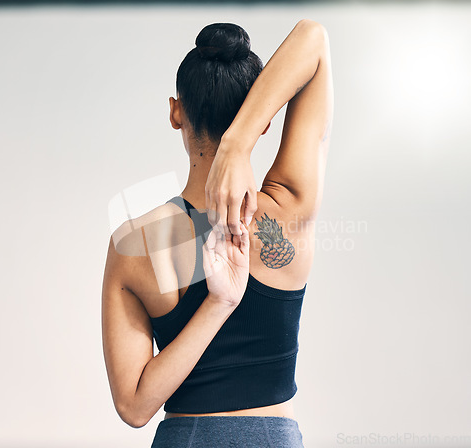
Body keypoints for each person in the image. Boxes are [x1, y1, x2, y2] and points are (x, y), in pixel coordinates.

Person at [102, 19, 333, 448]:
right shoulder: (288, 210)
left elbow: (134, 407)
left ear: (176, 112)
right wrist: (239, 142)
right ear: (262, 120)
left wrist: (216, 306)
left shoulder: (133, 245)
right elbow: (313, 39)